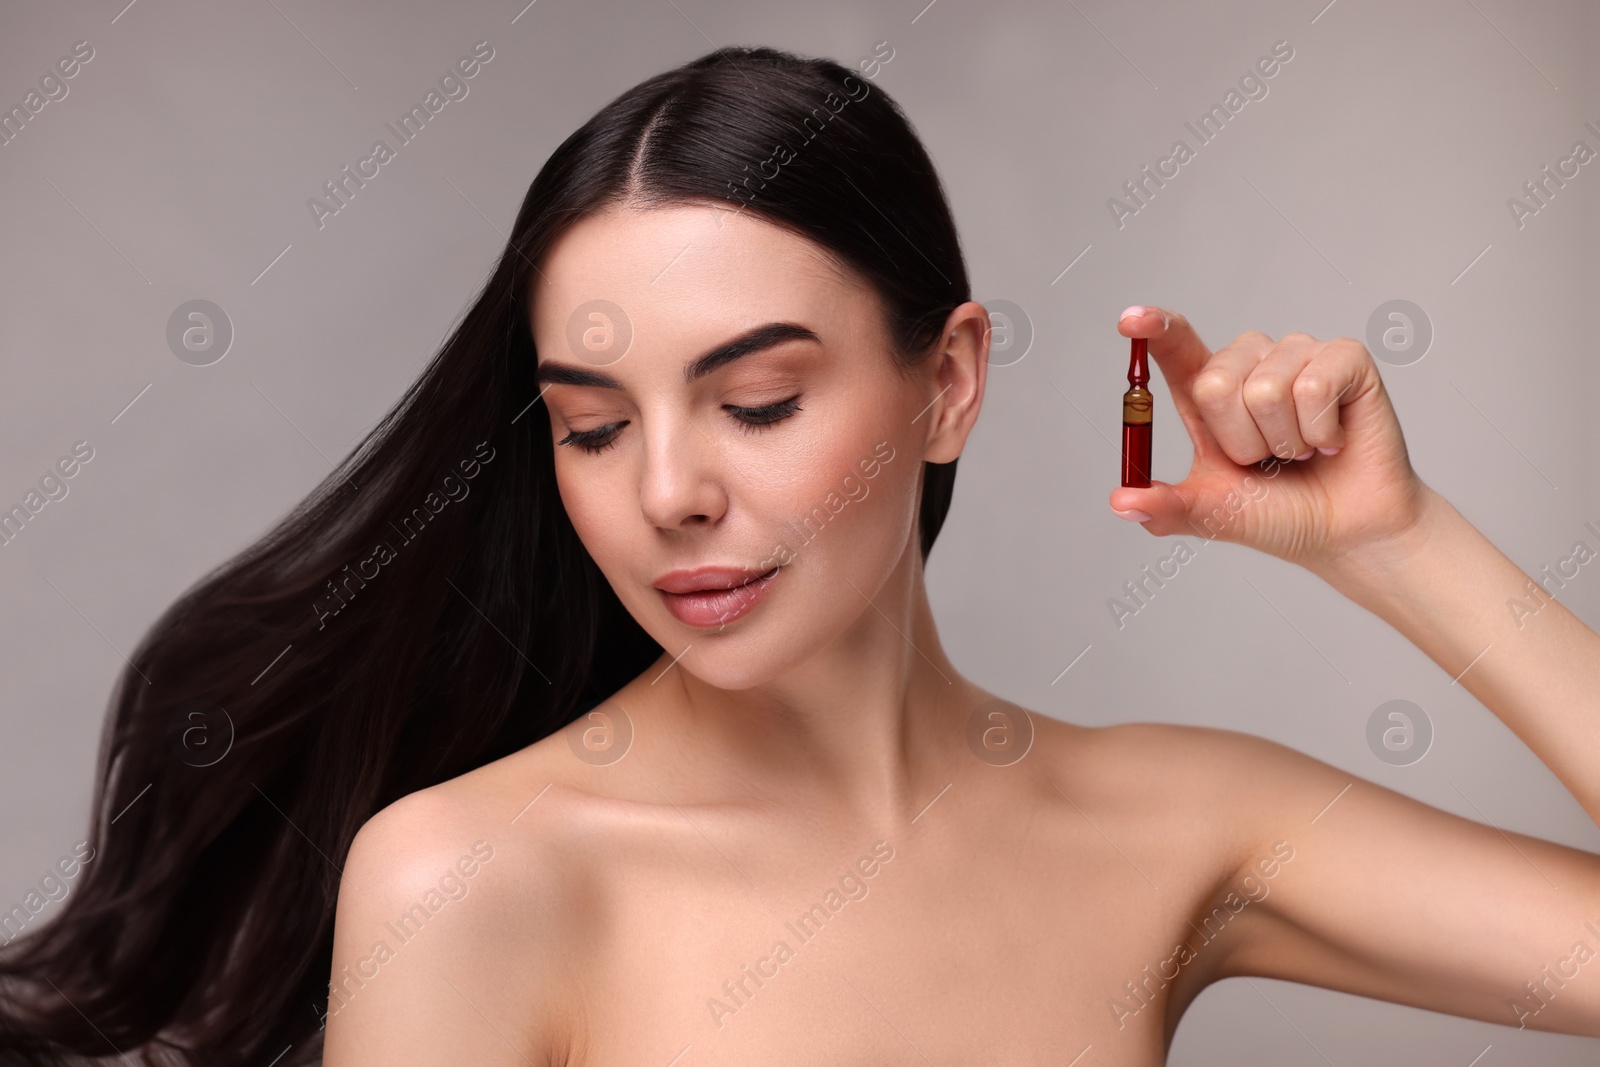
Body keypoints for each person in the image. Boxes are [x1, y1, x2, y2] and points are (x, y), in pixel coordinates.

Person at [4, 44, 1598, 1067]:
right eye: (591, 425)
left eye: (756, 399)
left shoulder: (1185, 823)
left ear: (951, 382)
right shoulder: (474, 879)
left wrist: (1400, 547)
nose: (670, 494)